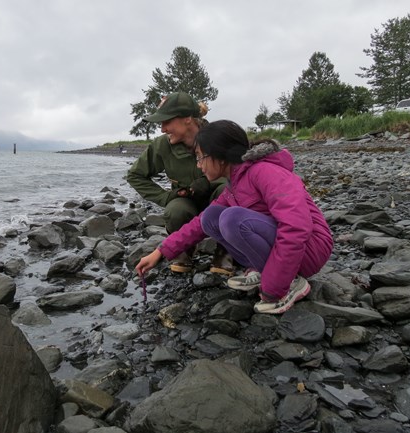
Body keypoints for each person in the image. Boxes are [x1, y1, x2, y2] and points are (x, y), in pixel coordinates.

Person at [136, 120, 333, 314]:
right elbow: (198, 225)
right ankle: (264, 269)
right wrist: (160, 252)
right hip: (293, 248)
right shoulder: (235, 183)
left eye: (200, 157)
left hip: (310, 249)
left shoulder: (265, 172)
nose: (199, 166)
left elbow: (296, 227)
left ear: (220, 157)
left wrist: (274, 288)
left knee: (232, 219)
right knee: (211, 217)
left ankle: (290, 282)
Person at [127, 92, 232, 274]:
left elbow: (241, 173)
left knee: (229, 193)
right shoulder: (162, 146)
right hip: (186, 202)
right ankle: (183, 251)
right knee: (175, 210)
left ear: (187, 119)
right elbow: (135, 175)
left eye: (166, 122)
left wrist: (209, 182)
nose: (162, 129)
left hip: (219, 199)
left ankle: (226, 251)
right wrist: (166, 196)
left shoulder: (218, 138)